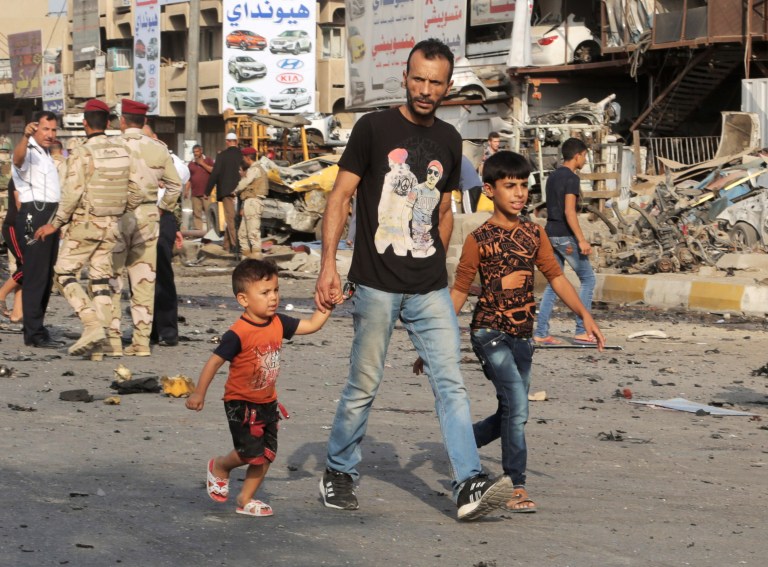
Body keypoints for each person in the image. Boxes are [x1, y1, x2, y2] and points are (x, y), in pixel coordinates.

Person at [314, 38, 516, 521]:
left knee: (451, 384)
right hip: (376, 282)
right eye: (419, 79)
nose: (426, 89)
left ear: (448, 87)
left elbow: (444, 208)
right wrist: (328, 265)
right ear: (405, 78)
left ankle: (467, 482)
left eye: (436, 82)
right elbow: (340, 197)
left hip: (428, 288)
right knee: (364, 383)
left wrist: (436, 262)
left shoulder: (450, 138)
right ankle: (340, 470)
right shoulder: (372, 128)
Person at [439, 150, 604, 514]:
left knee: (511, 411)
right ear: (489, 189)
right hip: (488, 332)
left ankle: (462, 442)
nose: (518, 194)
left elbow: (557, 277)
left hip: (522, 334)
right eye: (509, 186)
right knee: (517, 404)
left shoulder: (534, 233)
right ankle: (516, 484)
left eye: (523, 186)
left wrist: (584, 316)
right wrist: (435, 342)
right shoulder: (478, 238)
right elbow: (460, 290)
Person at [186, 259, 331, 517]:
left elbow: (311, 325)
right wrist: (199, 392)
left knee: (265, 454)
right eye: (265, 293)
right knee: (248, 453)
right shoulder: (238, 333)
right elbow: (214, 362)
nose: (273, 297)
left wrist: (327, 306)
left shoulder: (278, 322)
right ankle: (220, 466)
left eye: (275, 290)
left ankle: (246, 499)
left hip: (267, 402)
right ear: (243, 299)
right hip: (240, 403)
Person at [35, 99, 141, 361]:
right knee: (100, 281)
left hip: (85, 224)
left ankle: (91, 324)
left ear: (84, 124)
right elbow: (137, 192)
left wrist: (55, 223)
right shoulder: (124, 151)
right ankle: (102, 345)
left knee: (63, 273)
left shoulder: (82, 152)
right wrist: (117, 209)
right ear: (108, 123)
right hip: (112, 225)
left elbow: (72, 193)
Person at [109, 99, 182, 357]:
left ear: (123, 121)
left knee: (113, 280)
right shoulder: (159, 149)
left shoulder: (111, 146)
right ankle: (141, 343)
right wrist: (162, 208)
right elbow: (175, 185)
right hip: (149, 217)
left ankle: (114, 341)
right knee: (144, 281)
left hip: (116, 216)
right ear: (145, 122)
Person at [534, 137, 597, 345]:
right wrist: (581, 240)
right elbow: (570, 212)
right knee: (588, 279)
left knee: (555, 282)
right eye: (585, 156)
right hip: (564, 235)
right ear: (577, 155)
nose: (585, 160)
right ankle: (582, 329)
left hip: (549, 233)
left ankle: (541, 332)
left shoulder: (552, 176)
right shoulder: (572, 178)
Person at [11, 111, 64, 348]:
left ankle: (36, 328)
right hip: (35, 214)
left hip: (49, 215)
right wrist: (24, 137)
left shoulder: (46, 153)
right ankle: (33, 333)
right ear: (34, 128)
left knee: (45, 276)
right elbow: (17, 160)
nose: (50, 134)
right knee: (35, 276)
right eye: (46, 129)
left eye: (53, 130)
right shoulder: (28, 149)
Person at [143, 124, 188, 348]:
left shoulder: (166, 156)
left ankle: (168, 331)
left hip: (162, 216)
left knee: (162, 276)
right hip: (139, 218)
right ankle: (147, 330)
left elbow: (181, 175)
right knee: (140, 277)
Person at [205, 133, 242, 253]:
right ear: (236, 141)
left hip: (227, 192)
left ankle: (235, 245)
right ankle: (226, 245)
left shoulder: (222, 156)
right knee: (233, 218)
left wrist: (207, 191)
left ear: (227, 142)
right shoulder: (243, 155)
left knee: (230, 219)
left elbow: (215, 174)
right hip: (242, 190)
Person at [233, 146, 268, 259]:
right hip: (249, 202)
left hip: (253, 202)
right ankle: (246, 259)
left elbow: (245, 183)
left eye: (243, 157)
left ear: (248, 158)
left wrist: (235, 190)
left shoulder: (255, 169)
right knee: (242, 234)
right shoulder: (253, 169)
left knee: (253, 233)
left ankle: (257, 260)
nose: (243, 160)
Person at [0, 178, 23, 322]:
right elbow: (19, 204)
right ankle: (1, 294)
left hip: (24, 227)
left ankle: (17, 313)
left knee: (24, 268)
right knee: (29, 266)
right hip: (14, 226)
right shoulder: (19, 175)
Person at [186, 144, 213, 230]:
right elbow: (189, 178)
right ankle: (198, 233)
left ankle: (210, 232)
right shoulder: (191, 164)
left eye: (197, 151)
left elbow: (213, 170)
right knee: (197, 214)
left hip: (206, 193)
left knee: (209, 213)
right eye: (194, 152)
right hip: (195, 193)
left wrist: (202, 164)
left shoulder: (208, 160)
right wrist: (186, 190)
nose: (195, 153)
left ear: (201, 151)